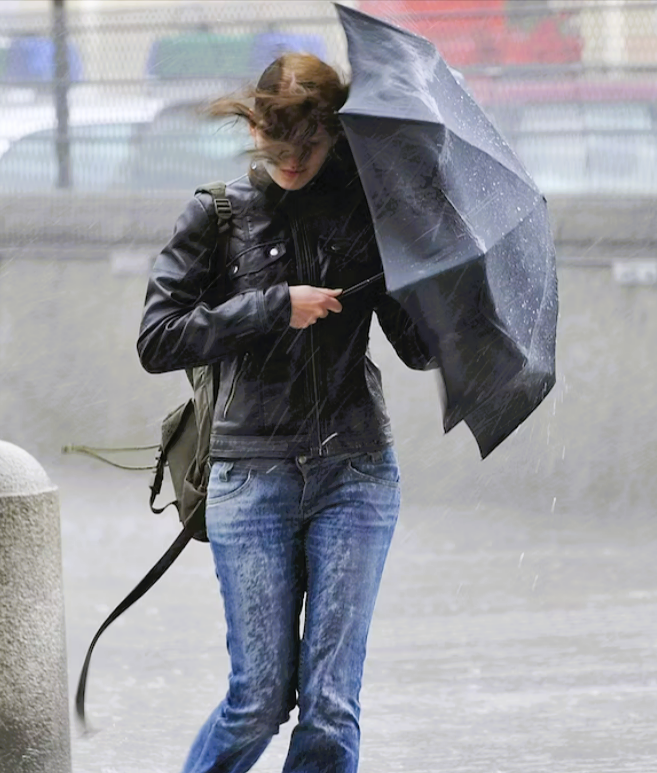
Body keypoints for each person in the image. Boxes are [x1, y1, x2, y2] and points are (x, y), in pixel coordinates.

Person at [137, 53, 436, 773]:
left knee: (331, 708)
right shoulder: (216, 215)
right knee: (259, 699)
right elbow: (157, 338)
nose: (293, 160)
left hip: (356, 472)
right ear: (256, 127)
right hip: (252, 478)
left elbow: (418, 351)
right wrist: (274, 305)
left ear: (335, 135)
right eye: (278, 144)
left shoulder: (367, 216)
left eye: (309, 145)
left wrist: (423, 276)